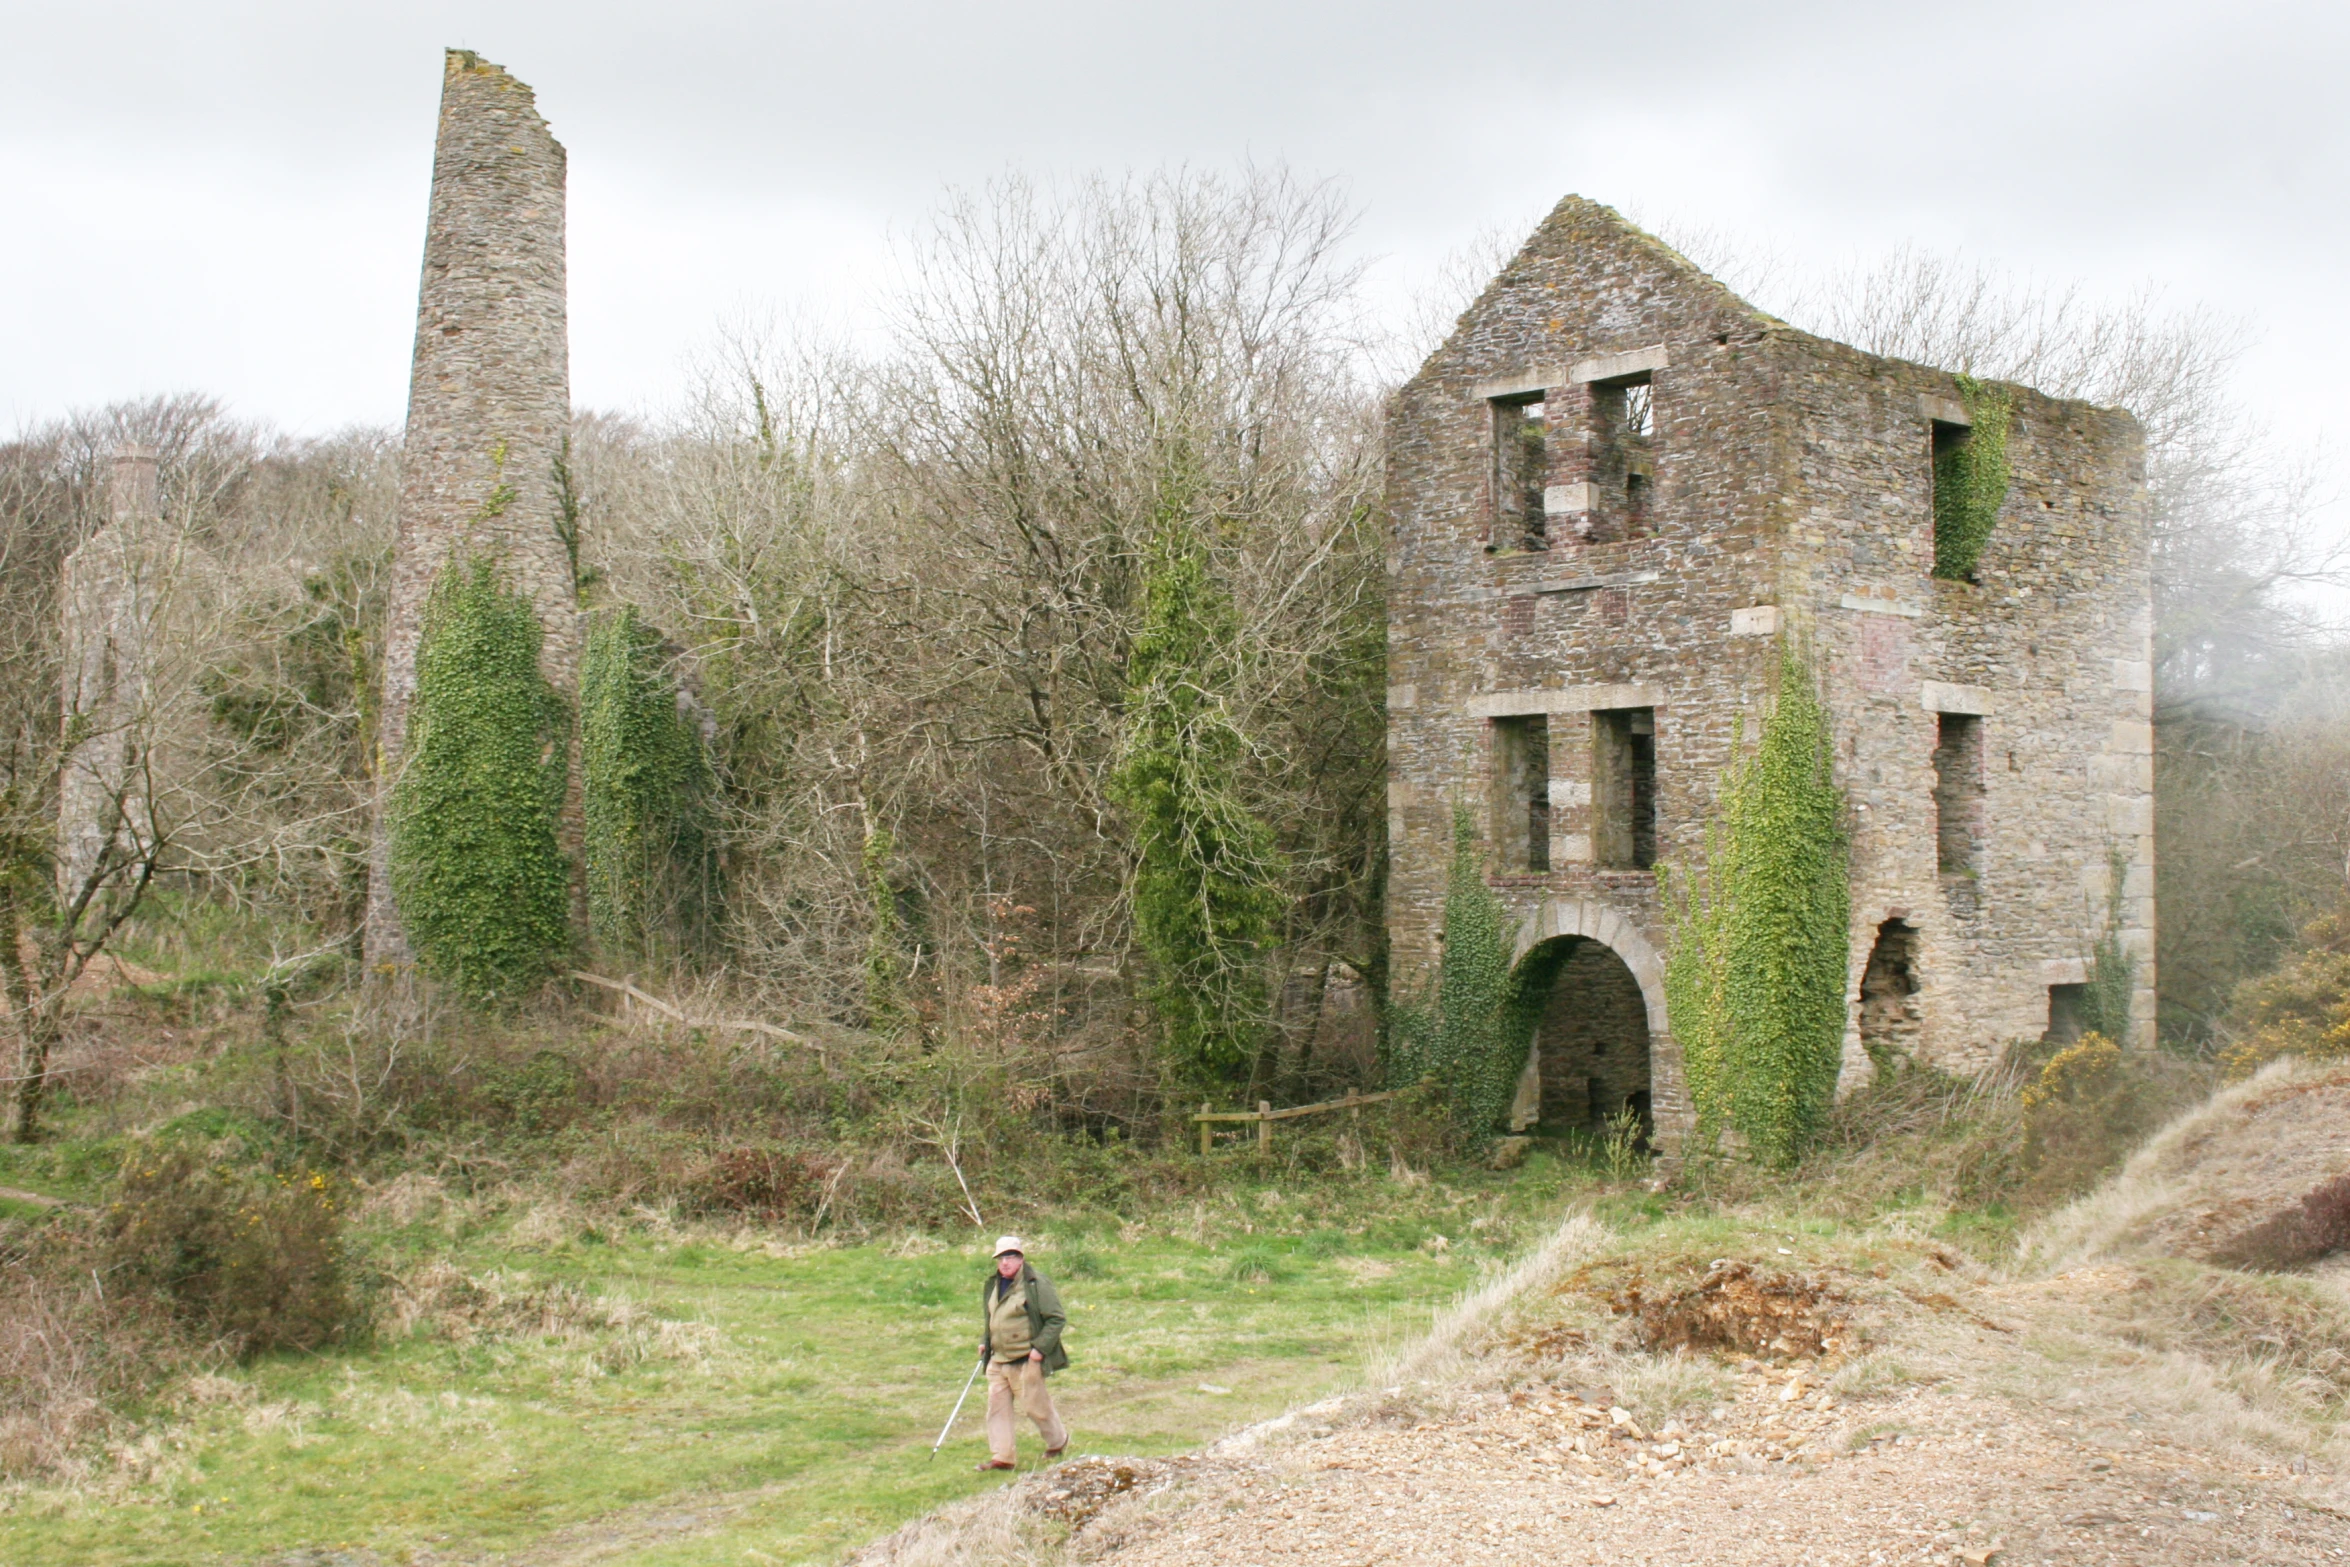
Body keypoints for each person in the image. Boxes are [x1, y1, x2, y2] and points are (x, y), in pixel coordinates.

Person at [976, 1235, 1069, 1471]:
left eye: (1010, 1257)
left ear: (1021, 1258)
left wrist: (1039, 1350)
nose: (1005, 1262)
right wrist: (985, 1341)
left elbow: (1056, 1319)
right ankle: (1002, 1458)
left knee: (1034, 1408)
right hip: (998, 1360)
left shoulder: (1036, 1283)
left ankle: (1058, 1441)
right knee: (996, 1408)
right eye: (1000, 1258)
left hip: (1025, 1359)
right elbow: (992, 1318)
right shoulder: (993, 1285)